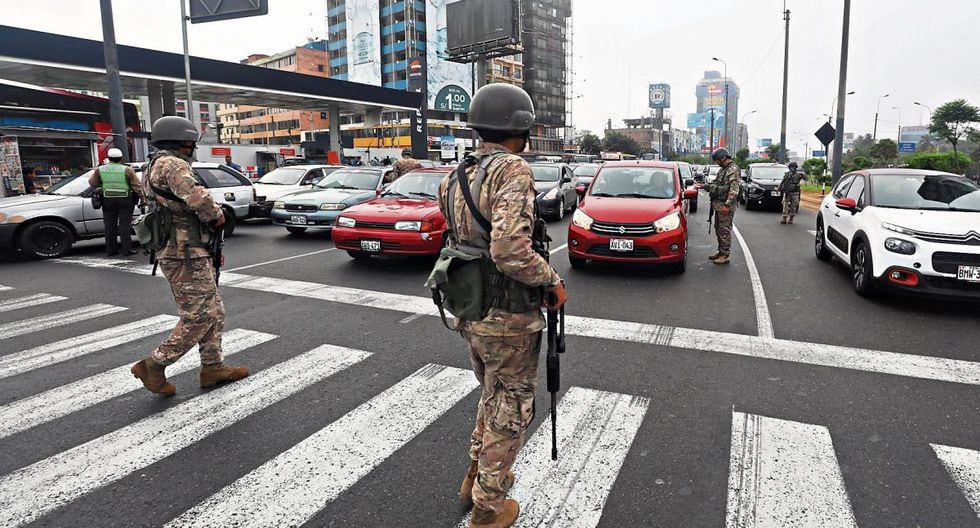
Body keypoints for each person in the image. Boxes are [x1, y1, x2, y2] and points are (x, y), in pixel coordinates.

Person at [438, 83, 568, 528]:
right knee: (511, 405)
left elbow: (460, 238)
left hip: (471, 308)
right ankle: (488, 508)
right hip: (508, 314)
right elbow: (510, 250)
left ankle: (476, 476)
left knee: (492, 397)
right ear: (522, 126)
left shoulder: (456, 174)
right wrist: (552, 280)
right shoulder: (511, 169)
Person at [130, 116, 247, 396]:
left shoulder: (154, 164)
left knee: (214, 312)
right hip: (184, 252)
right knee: (199, 316)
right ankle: (154, 364)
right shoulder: (173, 164)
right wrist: (218, 217)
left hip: (188, 249)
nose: (193, 146)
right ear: (183, 140)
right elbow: (200, 200)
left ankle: (213, 367)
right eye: (192, 141)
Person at [88, 149, 143, 256]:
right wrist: (143, 198)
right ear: (121, 158)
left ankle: (111, 250)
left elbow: (92, 183)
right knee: (124, 225)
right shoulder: (127, 169)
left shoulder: (100, 169)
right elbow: (136, 186)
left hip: (108, 200)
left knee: (109, 225)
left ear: (108, 158)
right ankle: (126, 250)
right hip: (125, 200)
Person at [699, 147, 741, 265]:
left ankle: (725, 254)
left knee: (724, 230)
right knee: (718, 228)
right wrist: (704, 186)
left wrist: (727, 205)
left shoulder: (733, 169)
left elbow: (733, 189)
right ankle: (721, 251)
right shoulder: (723, 169)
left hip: (725, 205)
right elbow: (717, 184)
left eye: (717, 160)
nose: (716, 163)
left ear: (723, 158)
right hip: (719, 204)